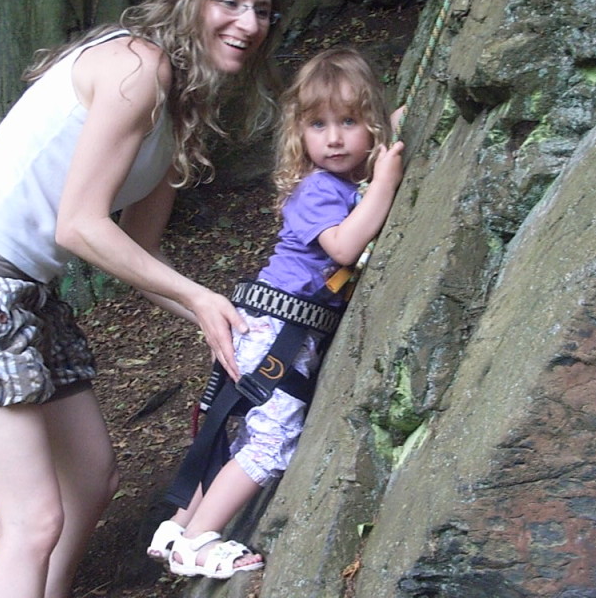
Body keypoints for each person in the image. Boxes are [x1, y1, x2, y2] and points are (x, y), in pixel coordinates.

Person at [0, 0, 282, 598]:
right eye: (230, 1)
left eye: (263, 8)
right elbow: (78, 225)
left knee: (90, 478)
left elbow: (141, 250)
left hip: (29, 295)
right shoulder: (138, 67)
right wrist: (197, 300)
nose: (248, 23)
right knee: (33, 515)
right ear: (190, 0)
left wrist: (228, 320)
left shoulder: (178, 118)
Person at [148, 48, 405, 579]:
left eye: (349, 122)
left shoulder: (340, 184)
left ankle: (179, 524)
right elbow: (343, 247)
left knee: (240, 430)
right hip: (279, 331)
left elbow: (400, 124)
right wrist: (384, 182)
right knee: (271, 439)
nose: (334, 138)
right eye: (318, 124)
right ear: (299, 134)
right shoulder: (318, 190)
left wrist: (395, 130)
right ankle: (197, 541)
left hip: (275, 327)